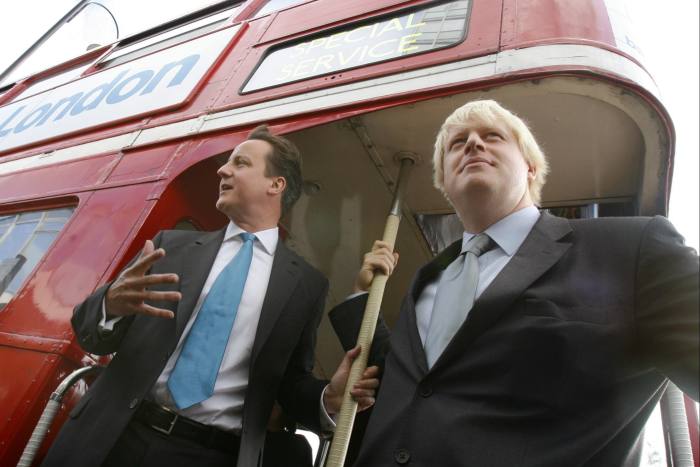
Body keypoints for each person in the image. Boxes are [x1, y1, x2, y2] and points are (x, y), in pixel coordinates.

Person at [330, 100, 699, 467]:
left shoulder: (631, 249)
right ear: (443, 180)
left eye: (492, 136)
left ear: (531, 167)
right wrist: (361, 295)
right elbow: (411, 383)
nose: (473, 144)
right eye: (457, 143)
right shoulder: (426, 281)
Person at [42, 125, 379, 467]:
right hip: (113, 437)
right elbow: (89, 334)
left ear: (276, 185)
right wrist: (109, 305)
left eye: (241, 163)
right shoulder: (168, 247)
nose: (222, 169)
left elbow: (289, 383)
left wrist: (329, 397)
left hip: (211, 454)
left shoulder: (306, 285)